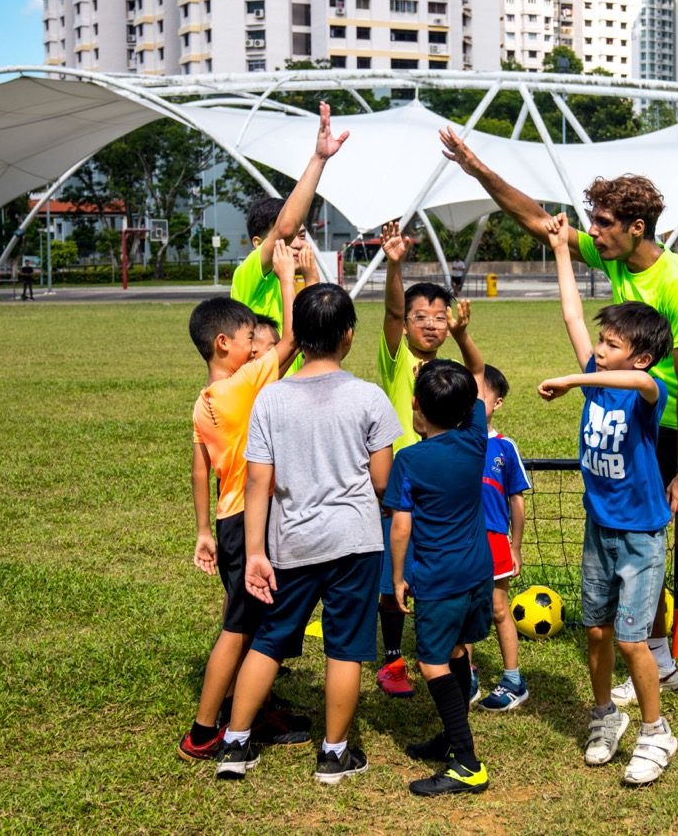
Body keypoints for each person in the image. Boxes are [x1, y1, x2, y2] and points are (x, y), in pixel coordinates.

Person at [440, 128, 678, 732]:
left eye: (602, 222)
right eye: (593, 221)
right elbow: (536, 220)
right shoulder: (611, 256)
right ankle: (659, 663)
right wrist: (477, 168)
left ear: (636, 227)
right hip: (643, 424)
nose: (593, 230)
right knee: (646, 542)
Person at [213, 283, 401, 784]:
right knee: (346, 647)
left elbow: (257, 480)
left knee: (270, 639)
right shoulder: (370, 398)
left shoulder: (270, 399)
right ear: (348, 335)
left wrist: (256, 551)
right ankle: (334, 754)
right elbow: (383, 481)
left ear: (298, 334)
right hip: (355, 542)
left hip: (289, 542)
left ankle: (234, 744)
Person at [537, 212, 678, 785]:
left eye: (610, 345)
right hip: (600, 528)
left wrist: (575, 382)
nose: (597, 351)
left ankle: (655, 733)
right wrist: (561, 251)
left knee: (629, 639)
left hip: (640, 537)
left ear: (640, 357)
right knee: (594, 632)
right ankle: (604, 719)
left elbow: (639, 385)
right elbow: (572, 312)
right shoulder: (598, 372)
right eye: (599, 342)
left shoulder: (649, 388)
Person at [179, 241, 306, 763]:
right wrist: (285, 275)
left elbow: (199, 468)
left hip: (226, 523)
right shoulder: (240, 387)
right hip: (248, 522)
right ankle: (205, 731)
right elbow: (297, 338)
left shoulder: (204, 400)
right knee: (239, 627)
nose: (259, 347)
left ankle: (255, 708)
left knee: (255, 621)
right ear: (225, 343)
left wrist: (202, 530)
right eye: (252, 339)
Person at [374, 220, 478, 699]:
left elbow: (477, 381)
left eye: (440, 317)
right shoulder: (397, 358)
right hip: (398, 492)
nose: (432, 324)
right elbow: (392, 313)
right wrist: (395, 265)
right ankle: (393, 659)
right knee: (390, 581)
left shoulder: (451, 372)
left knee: (437, 578)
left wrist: (462, 337)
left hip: (439, 493)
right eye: (422, 317)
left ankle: (454, 656)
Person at [384, 354, 493, 797]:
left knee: (431, 663)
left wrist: (396, 577)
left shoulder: (409, 460)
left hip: (439, 578)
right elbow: (480, 381)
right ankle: (450, 735)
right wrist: (462, 340)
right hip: (477, 572)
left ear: (415, 406)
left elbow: (401, 526)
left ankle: (466, 761)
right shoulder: (475, 440)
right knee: (455, 650)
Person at [231, 100, 348, 372]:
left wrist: (312, 281)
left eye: (303, 235)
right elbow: (284, 229)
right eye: (290, 237)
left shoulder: (299, 280)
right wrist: (319, 159)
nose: (296, 242)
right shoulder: (249, 275)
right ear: (259, 245)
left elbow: (324, 345)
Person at [467, 364, 532, 712]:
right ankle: (468, 676)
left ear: (498, 403)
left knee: (496, 608)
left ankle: (512, 679)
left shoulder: (505, 448)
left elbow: (517, 499)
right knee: (465, 610)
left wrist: (516, 545)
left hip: (494, 540)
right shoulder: (457, 441)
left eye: (479, 398)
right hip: (462, 540)